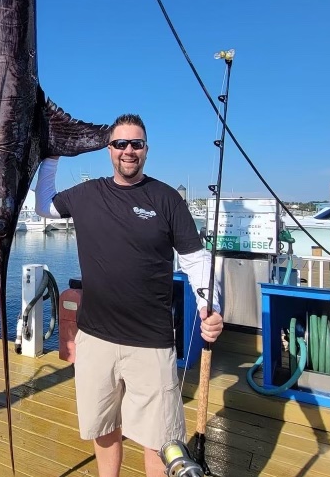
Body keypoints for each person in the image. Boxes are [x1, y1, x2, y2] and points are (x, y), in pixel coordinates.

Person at [35, 113, 223, 477]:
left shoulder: (167, 199)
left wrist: (209, 307)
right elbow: (44, 206)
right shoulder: (86, 194)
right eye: (120, 143)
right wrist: (52, 155)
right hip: (95, 339)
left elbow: (196, 261)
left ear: (146, 150)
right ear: (109, 150)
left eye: (136, 143)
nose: (128, 150)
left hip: (150, 343)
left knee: (158, 439)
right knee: (104, 429)